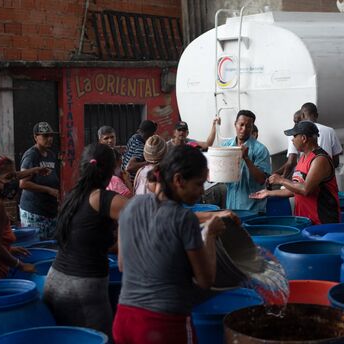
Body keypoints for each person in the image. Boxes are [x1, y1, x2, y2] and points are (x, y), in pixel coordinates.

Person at [113, 145, 226, 344]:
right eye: (198, 184)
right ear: (178, 180)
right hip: (162, 325)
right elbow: (205, 280)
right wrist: (209, 233)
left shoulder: (130, 206)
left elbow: (123, 265)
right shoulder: (183, 219)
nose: (201, 192)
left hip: (125, 320)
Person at [44, 143, 128, 338]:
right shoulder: (103, 199)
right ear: (110, 171)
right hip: (82, 289)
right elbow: (150, 214)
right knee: (100, 339)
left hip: (54, 281)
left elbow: (88, 241)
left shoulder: (73, 195)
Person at [250, 121, 340, 225]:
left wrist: (281, 180)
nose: (292, 140)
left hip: (322, 222)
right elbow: (294, 189)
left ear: (304, 138)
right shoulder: (303, 157)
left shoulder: (319, 159)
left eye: (294, 136)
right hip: (305, 221)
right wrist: (268, 193)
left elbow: (305, 189)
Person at [221, 110, 271, 212]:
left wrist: (246, 159)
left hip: (253, 210)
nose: (244, 129)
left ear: (252, 128)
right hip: (232, 208)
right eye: (241, 125)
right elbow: (219, 172)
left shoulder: (260, 150)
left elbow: (262, 179)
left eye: (248, 126)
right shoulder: (225, 146)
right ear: (235, 124)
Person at [19, 122, 60, 241]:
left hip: (49, 211)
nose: (49, 139)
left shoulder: (51, 155)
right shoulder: (31, 156)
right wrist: (48, 190)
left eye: (51, 136)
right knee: (37, 245)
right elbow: (23, 183)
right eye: (45, 136)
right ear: (35, 137)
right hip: (34, 211)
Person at [274, 110, 302, 178]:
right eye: (294, 122)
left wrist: (281, 179)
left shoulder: (295, 134)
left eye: (297, 122)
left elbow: (291, 162)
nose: (292, 139)